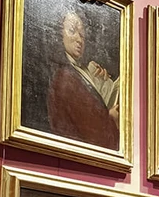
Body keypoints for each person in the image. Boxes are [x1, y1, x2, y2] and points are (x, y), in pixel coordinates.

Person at [47, 9, 120, 149]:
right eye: (72, 31)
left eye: (82, 35)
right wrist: (111, 118)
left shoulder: (76, 71)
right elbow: (93, 134)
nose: (79, 39)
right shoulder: (65, 77)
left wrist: (100, 84)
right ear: (58, 34)